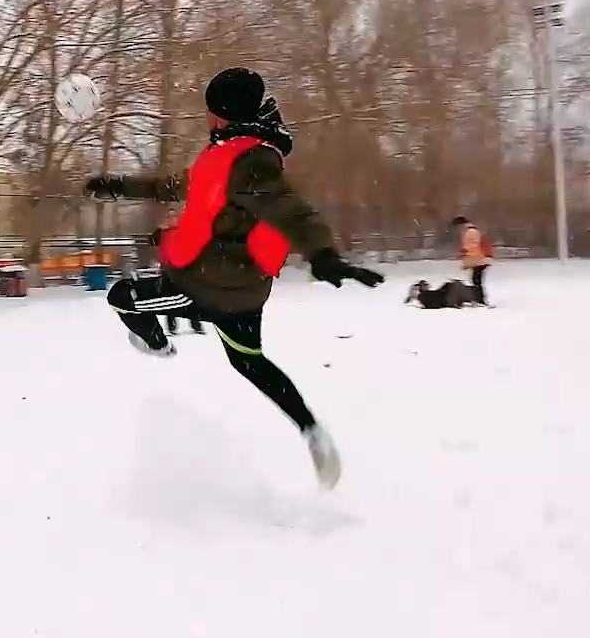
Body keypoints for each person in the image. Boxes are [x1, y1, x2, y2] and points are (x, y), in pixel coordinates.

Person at [84, 67, 383, 489]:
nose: (206, 117)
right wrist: (117, 186)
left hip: (204, 286)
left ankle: (157, 343)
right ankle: (311, 430)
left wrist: (323, 254)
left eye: (208, 110)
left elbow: (290, 209)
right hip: (244, 290)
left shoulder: (248, 162)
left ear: (220, 113)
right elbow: (170, 186)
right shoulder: (230, 157)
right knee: (248, 360)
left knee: (121, 296)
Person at [452, 216, 492, 304]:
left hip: (480, 260)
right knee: (476, 280)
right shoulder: (469, 231)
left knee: (476, 280)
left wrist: (464, 252)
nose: (456, 230)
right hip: (479, 260)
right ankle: (479, 299)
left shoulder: (470, 232)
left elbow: (473, 246)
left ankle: (480, 300)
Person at [404, 278, 481, 309]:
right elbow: (436, 301)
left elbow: (437, 294)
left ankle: (473, 299)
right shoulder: (423, 296)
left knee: (457, 286)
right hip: (447, 299)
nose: (427, 287)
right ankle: (473, 300)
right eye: (425, 285)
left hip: (446, 297)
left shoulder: (425, 295)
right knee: (457, 285)